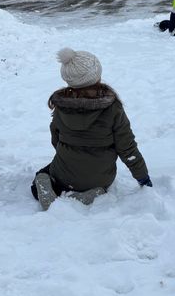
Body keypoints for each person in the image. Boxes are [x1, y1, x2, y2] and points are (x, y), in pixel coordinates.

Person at [32, 48, 152, 210]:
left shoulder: (61, 106)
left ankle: (49, 192)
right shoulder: (113, 107)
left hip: (64, 174)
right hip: (101, 178)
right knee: (86, 177)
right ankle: (90, 195)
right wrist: (142, 177)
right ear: (97, 76)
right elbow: (127, 148)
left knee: (42, 175)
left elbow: (56, 140)